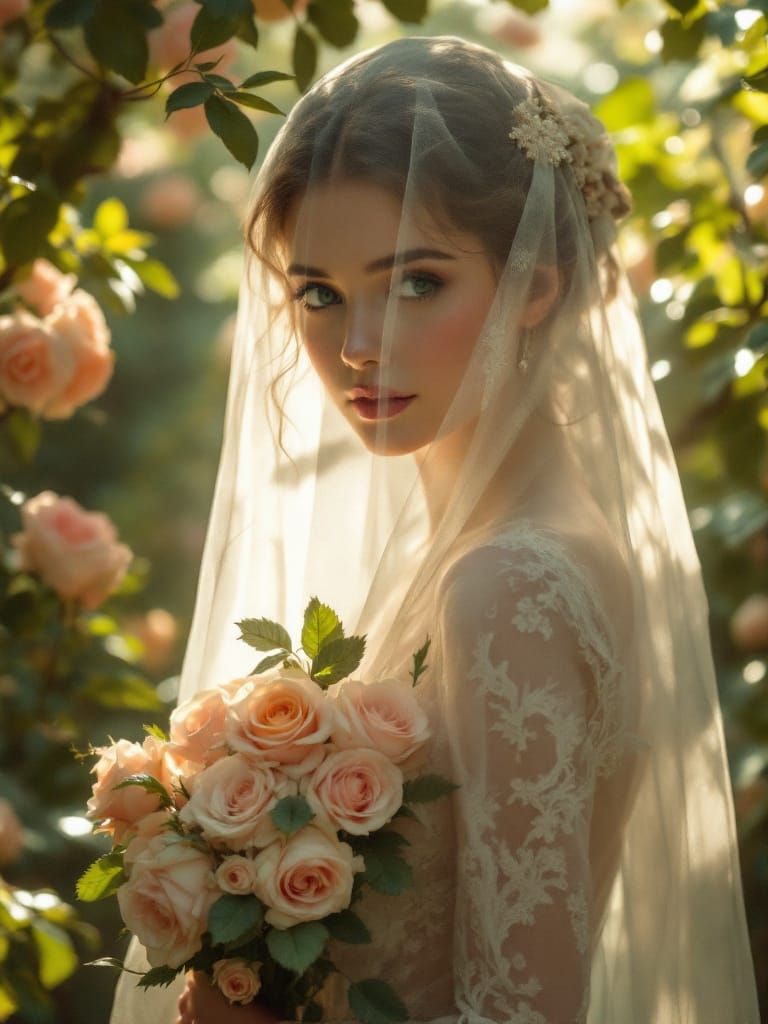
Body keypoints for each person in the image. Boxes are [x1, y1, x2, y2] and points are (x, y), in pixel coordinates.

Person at [110, 35, 760, 1024]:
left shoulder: (508, 580)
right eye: (320, 293)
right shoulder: (515, 540)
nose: (357, 347)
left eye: (416, 282)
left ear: (535, 284)